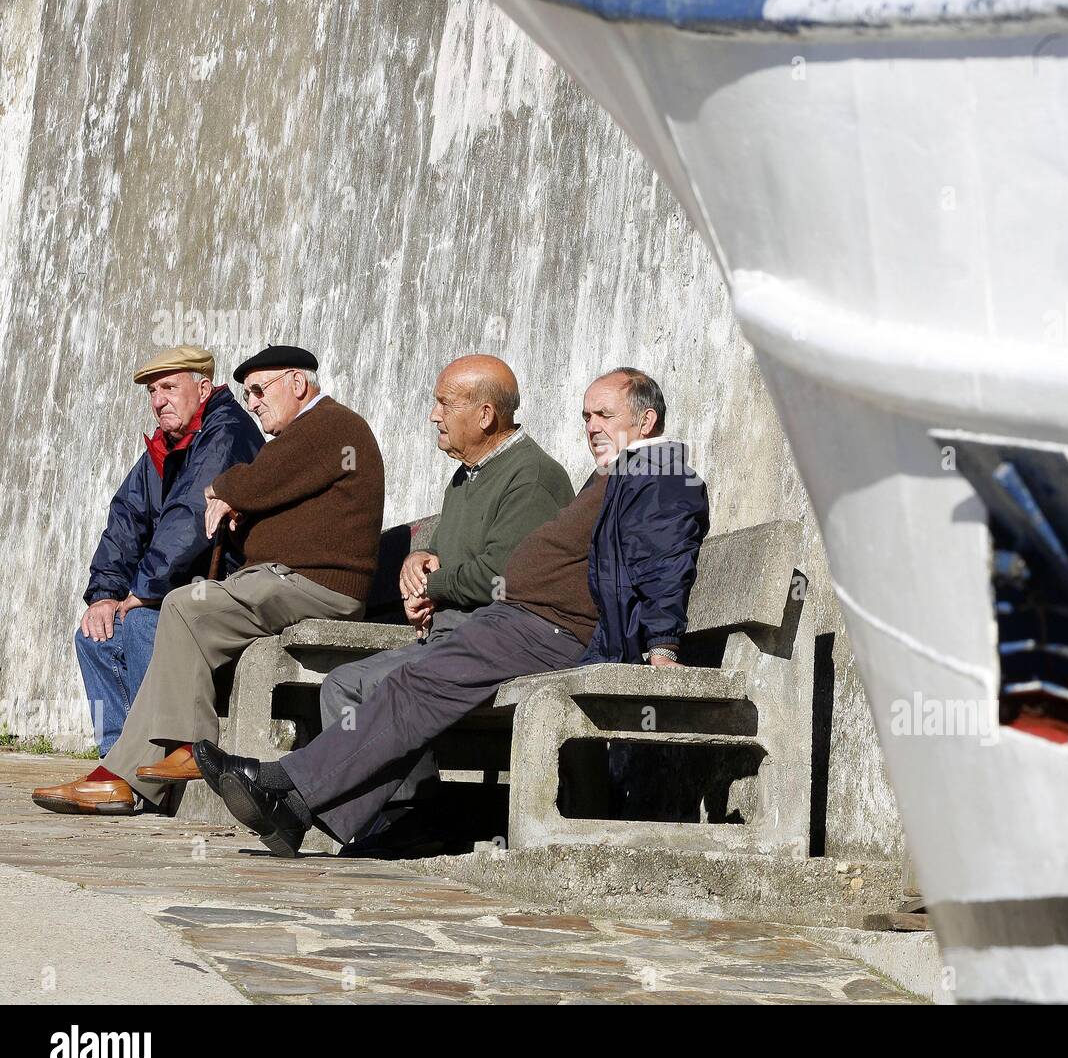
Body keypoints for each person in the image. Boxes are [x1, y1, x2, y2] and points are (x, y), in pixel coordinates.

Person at [194, 367, 709, 857]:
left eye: (605, 415)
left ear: (646, 421)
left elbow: (665, 558)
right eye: (586, 416)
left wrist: (662, 646)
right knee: (403, 684)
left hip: (551, 631)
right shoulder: (619, 474)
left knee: (412, 686)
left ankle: (285, 785)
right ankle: (296, 810)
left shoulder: (658, 472)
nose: (592, 427)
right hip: (521, 621)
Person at [33, 346, 384, 816]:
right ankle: (122, 773)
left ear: (297, 384)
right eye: (247, 393)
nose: (253, 402)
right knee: (167, 614)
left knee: (180, 607)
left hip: (316, 586)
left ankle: (190, 747)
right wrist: (106, 593)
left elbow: (256, 479)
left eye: (260, 391)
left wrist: (224, 491)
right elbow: (130, 516)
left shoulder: (332, 425)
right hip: (281, 582)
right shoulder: (296, 437)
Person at [318, 355, 573, 812]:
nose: (434, 415)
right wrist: (418, 565)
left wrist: (433, 588)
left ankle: (396, 815)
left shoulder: (530, 476)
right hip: (447, 638)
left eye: (444, 404)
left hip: (495, 646)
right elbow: (442, 557)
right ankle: (401, 810)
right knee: (342, 683)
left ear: (486, 415)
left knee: (372, 686)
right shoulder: (465, 475)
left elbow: (502, 573)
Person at [76, 345, 263, 756]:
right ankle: (116, 757)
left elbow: (189, 518)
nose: (158, 400)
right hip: (176, 585)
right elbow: (126, 518)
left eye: (168, 387)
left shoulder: (225, 431)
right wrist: (105, 595)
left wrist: (144, 591)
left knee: (143, 623)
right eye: (151, 391)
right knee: (94, 635)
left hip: (226, 585)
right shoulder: (165, 446)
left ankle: (152, 758)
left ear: (203, 387)